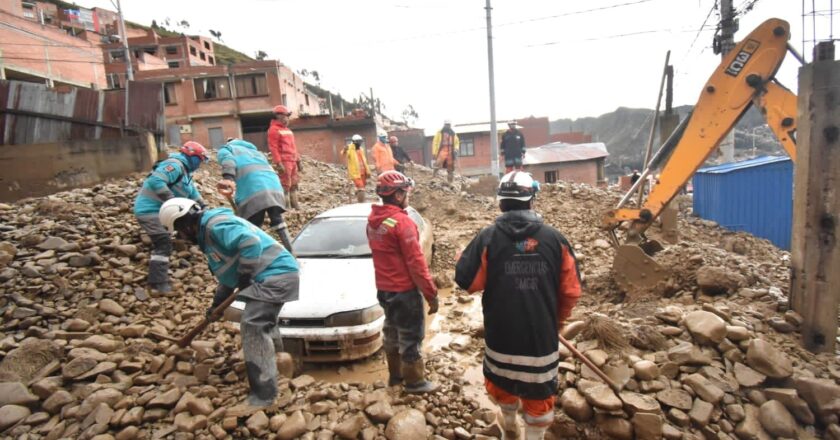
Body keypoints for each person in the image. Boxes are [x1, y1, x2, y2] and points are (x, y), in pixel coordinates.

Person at [454, 171, 582, 440]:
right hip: (539, 339)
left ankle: (509, 425)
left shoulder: (487, 238)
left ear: (501, 203)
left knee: (502, 384)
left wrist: (462, 258)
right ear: (531, 199)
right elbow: (571, 292)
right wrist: (558, 320)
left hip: (501, 337)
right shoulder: (555, 240)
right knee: (538, 394)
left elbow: (468, 282)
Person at [158, 198, 299, 413]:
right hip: (271, 274)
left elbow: (250, 242)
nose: (183, 239)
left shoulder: (215, 226)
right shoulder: (209, 234)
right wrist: (216, 306)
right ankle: (281, 365)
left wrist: (245, 273)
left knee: (253, 324)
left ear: (185, 224)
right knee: (264, 321)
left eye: (181, 233)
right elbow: (227, 277)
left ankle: (264, 394)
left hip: (275, 274)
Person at [367, 171, 439, 393]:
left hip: (384, 289)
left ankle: (395, 376)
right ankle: (415, 381)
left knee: (391, 331)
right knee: (411, 335)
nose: (408, 196)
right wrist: (431, 293)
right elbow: (416, 263)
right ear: (398, 195)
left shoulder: (373, 222)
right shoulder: (402, 222)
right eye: (406, 192)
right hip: (404, 291)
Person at [133, 141, 209, 294]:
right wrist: (172, 200)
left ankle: (192, 252)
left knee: (194, 223)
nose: (200, 164)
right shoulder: (174, 165)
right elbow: (156, 180)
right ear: (192, 157)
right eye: (200, 160)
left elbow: (193, 194)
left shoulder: (186, 173)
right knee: (163, 243)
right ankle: (157, 283)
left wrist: (205, 210)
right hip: (149, 211)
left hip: (165, 212)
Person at [216, 139, 294, 252]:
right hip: (275, 188)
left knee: (252, 227)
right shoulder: (256, 152)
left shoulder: (227, 149)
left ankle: (256, 254)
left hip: (253, 191)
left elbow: (228, 162)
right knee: (278, 220)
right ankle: (292, 253)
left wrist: (228, 178)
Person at [267, 105, 303, 209]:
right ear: (279, 116)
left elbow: (293, 147)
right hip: (285, 161)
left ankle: (295, 205)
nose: (287, 118)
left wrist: (298, 161)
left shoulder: (288, 130)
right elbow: (273, 148)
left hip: (292, 160)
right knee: (285, 185)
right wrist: (278, 163)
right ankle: (286, 207)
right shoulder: (273, 130)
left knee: (294, 184)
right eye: (286, 116)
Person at [342, 134, 371, 203]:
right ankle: (361, 202)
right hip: (355, 173)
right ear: (354, 142)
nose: (360, 143)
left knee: (362, 187)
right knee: (360, 187)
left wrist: (367, 170)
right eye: (358, 142)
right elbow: (344, 154)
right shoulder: (350, 148)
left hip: (363, 171)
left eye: (360, 141)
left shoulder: (361, 149)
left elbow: (364, 160)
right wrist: (345, 150)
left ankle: (359, 197)